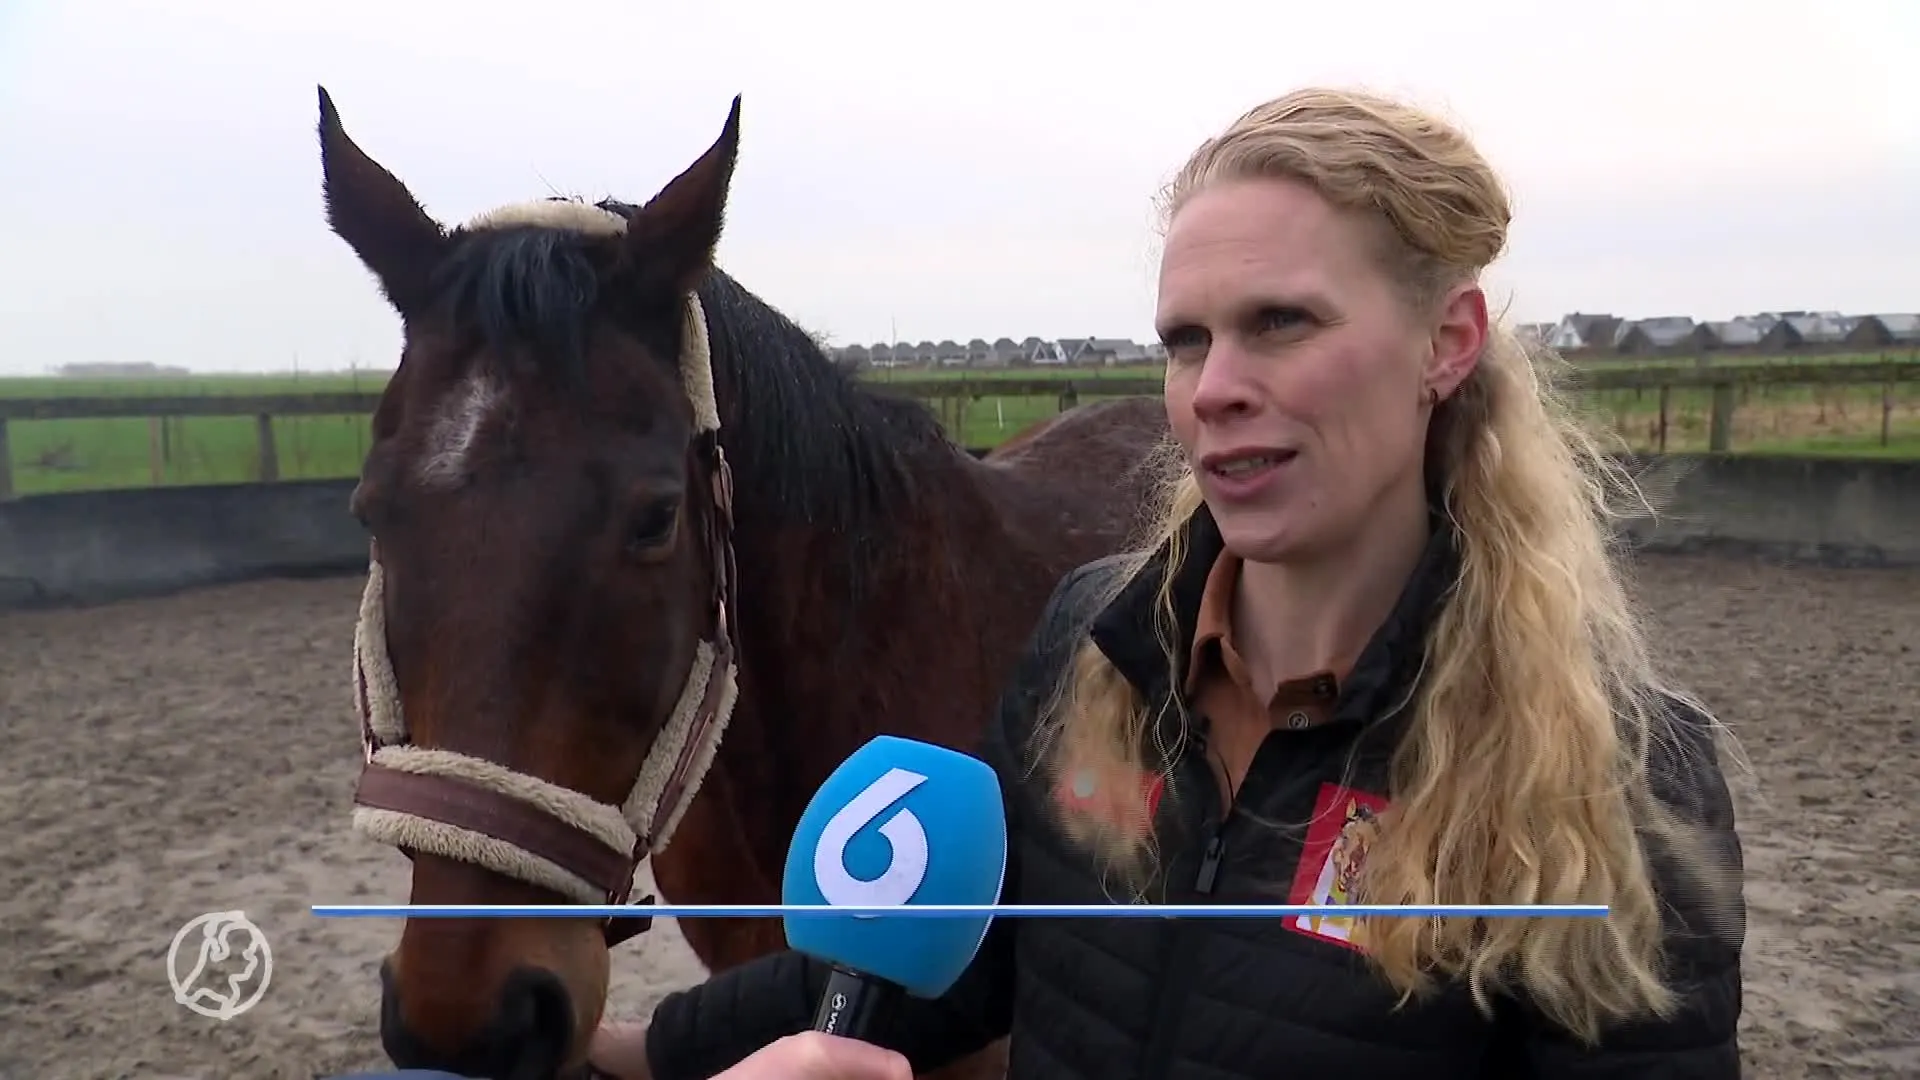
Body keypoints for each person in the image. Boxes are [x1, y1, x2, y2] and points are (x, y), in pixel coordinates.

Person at [589, 87, 1747, 1080]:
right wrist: (638, 1049)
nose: (1214, 388)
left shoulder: (1618, 781)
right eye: (1186, 340)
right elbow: (966, 951)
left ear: (1447, 341)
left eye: (1280, 322)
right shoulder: (1090, 642)